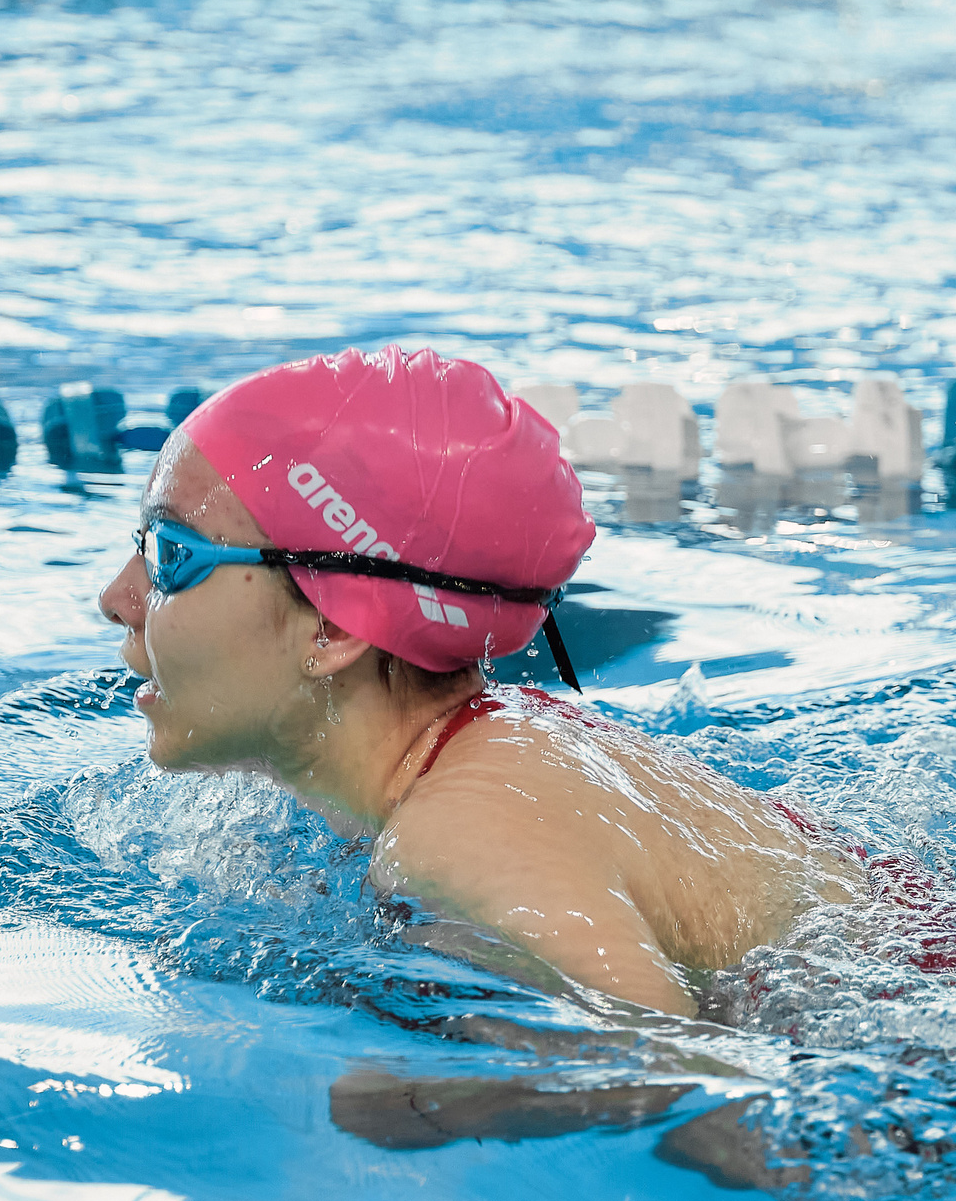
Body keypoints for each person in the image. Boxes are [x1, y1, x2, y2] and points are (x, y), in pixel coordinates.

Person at [95, 345, 864, 1024]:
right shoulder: (492, 743)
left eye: (170, 553)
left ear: (334, 627)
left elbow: (683, 1073)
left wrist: (429, 1100)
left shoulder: (458, 834)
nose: (116, 598)